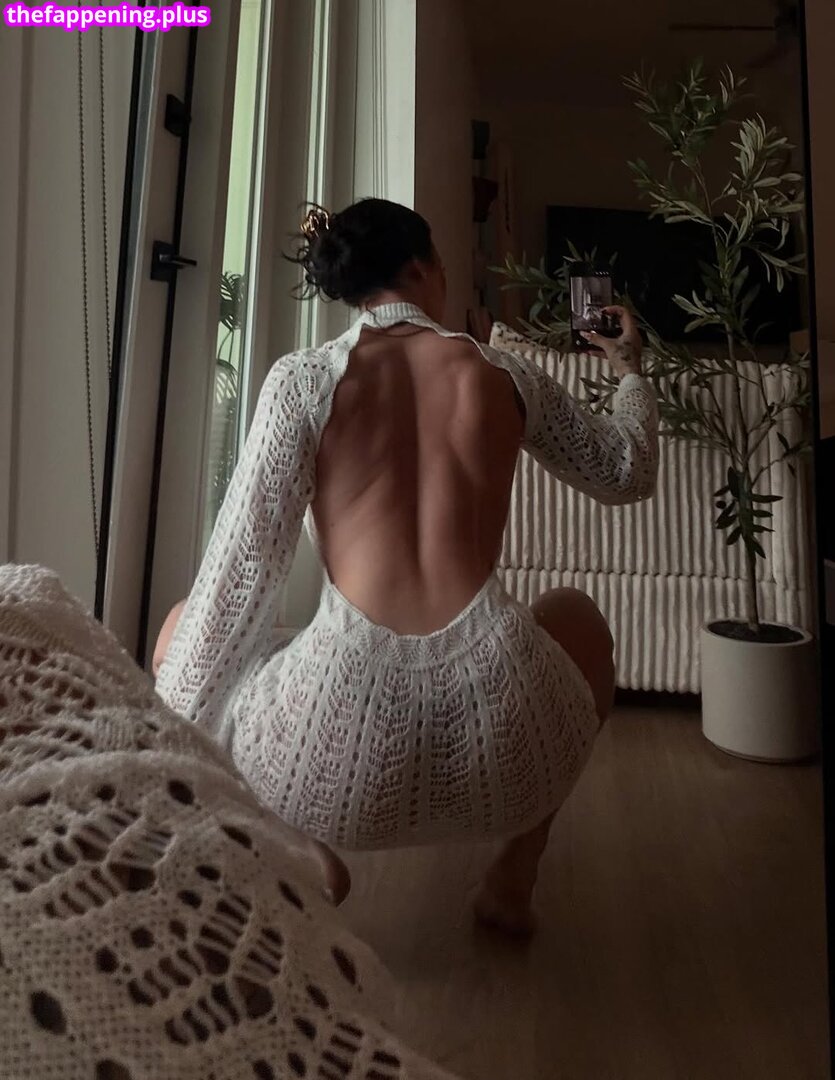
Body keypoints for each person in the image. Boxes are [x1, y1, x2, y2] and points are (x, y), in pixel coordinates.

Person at [155, 198, 659, 935]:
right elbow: (625, 472)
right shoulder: (505, 375)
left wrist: (164, 777)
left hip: (332, 776)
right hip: (509, 750)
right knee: (576, 618)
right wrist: (629, 369)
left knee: (184, 627)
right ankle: (514, 874)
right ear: (424, 267)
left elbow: (234, 587)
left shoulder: (303, 382)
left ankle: (302, 852)